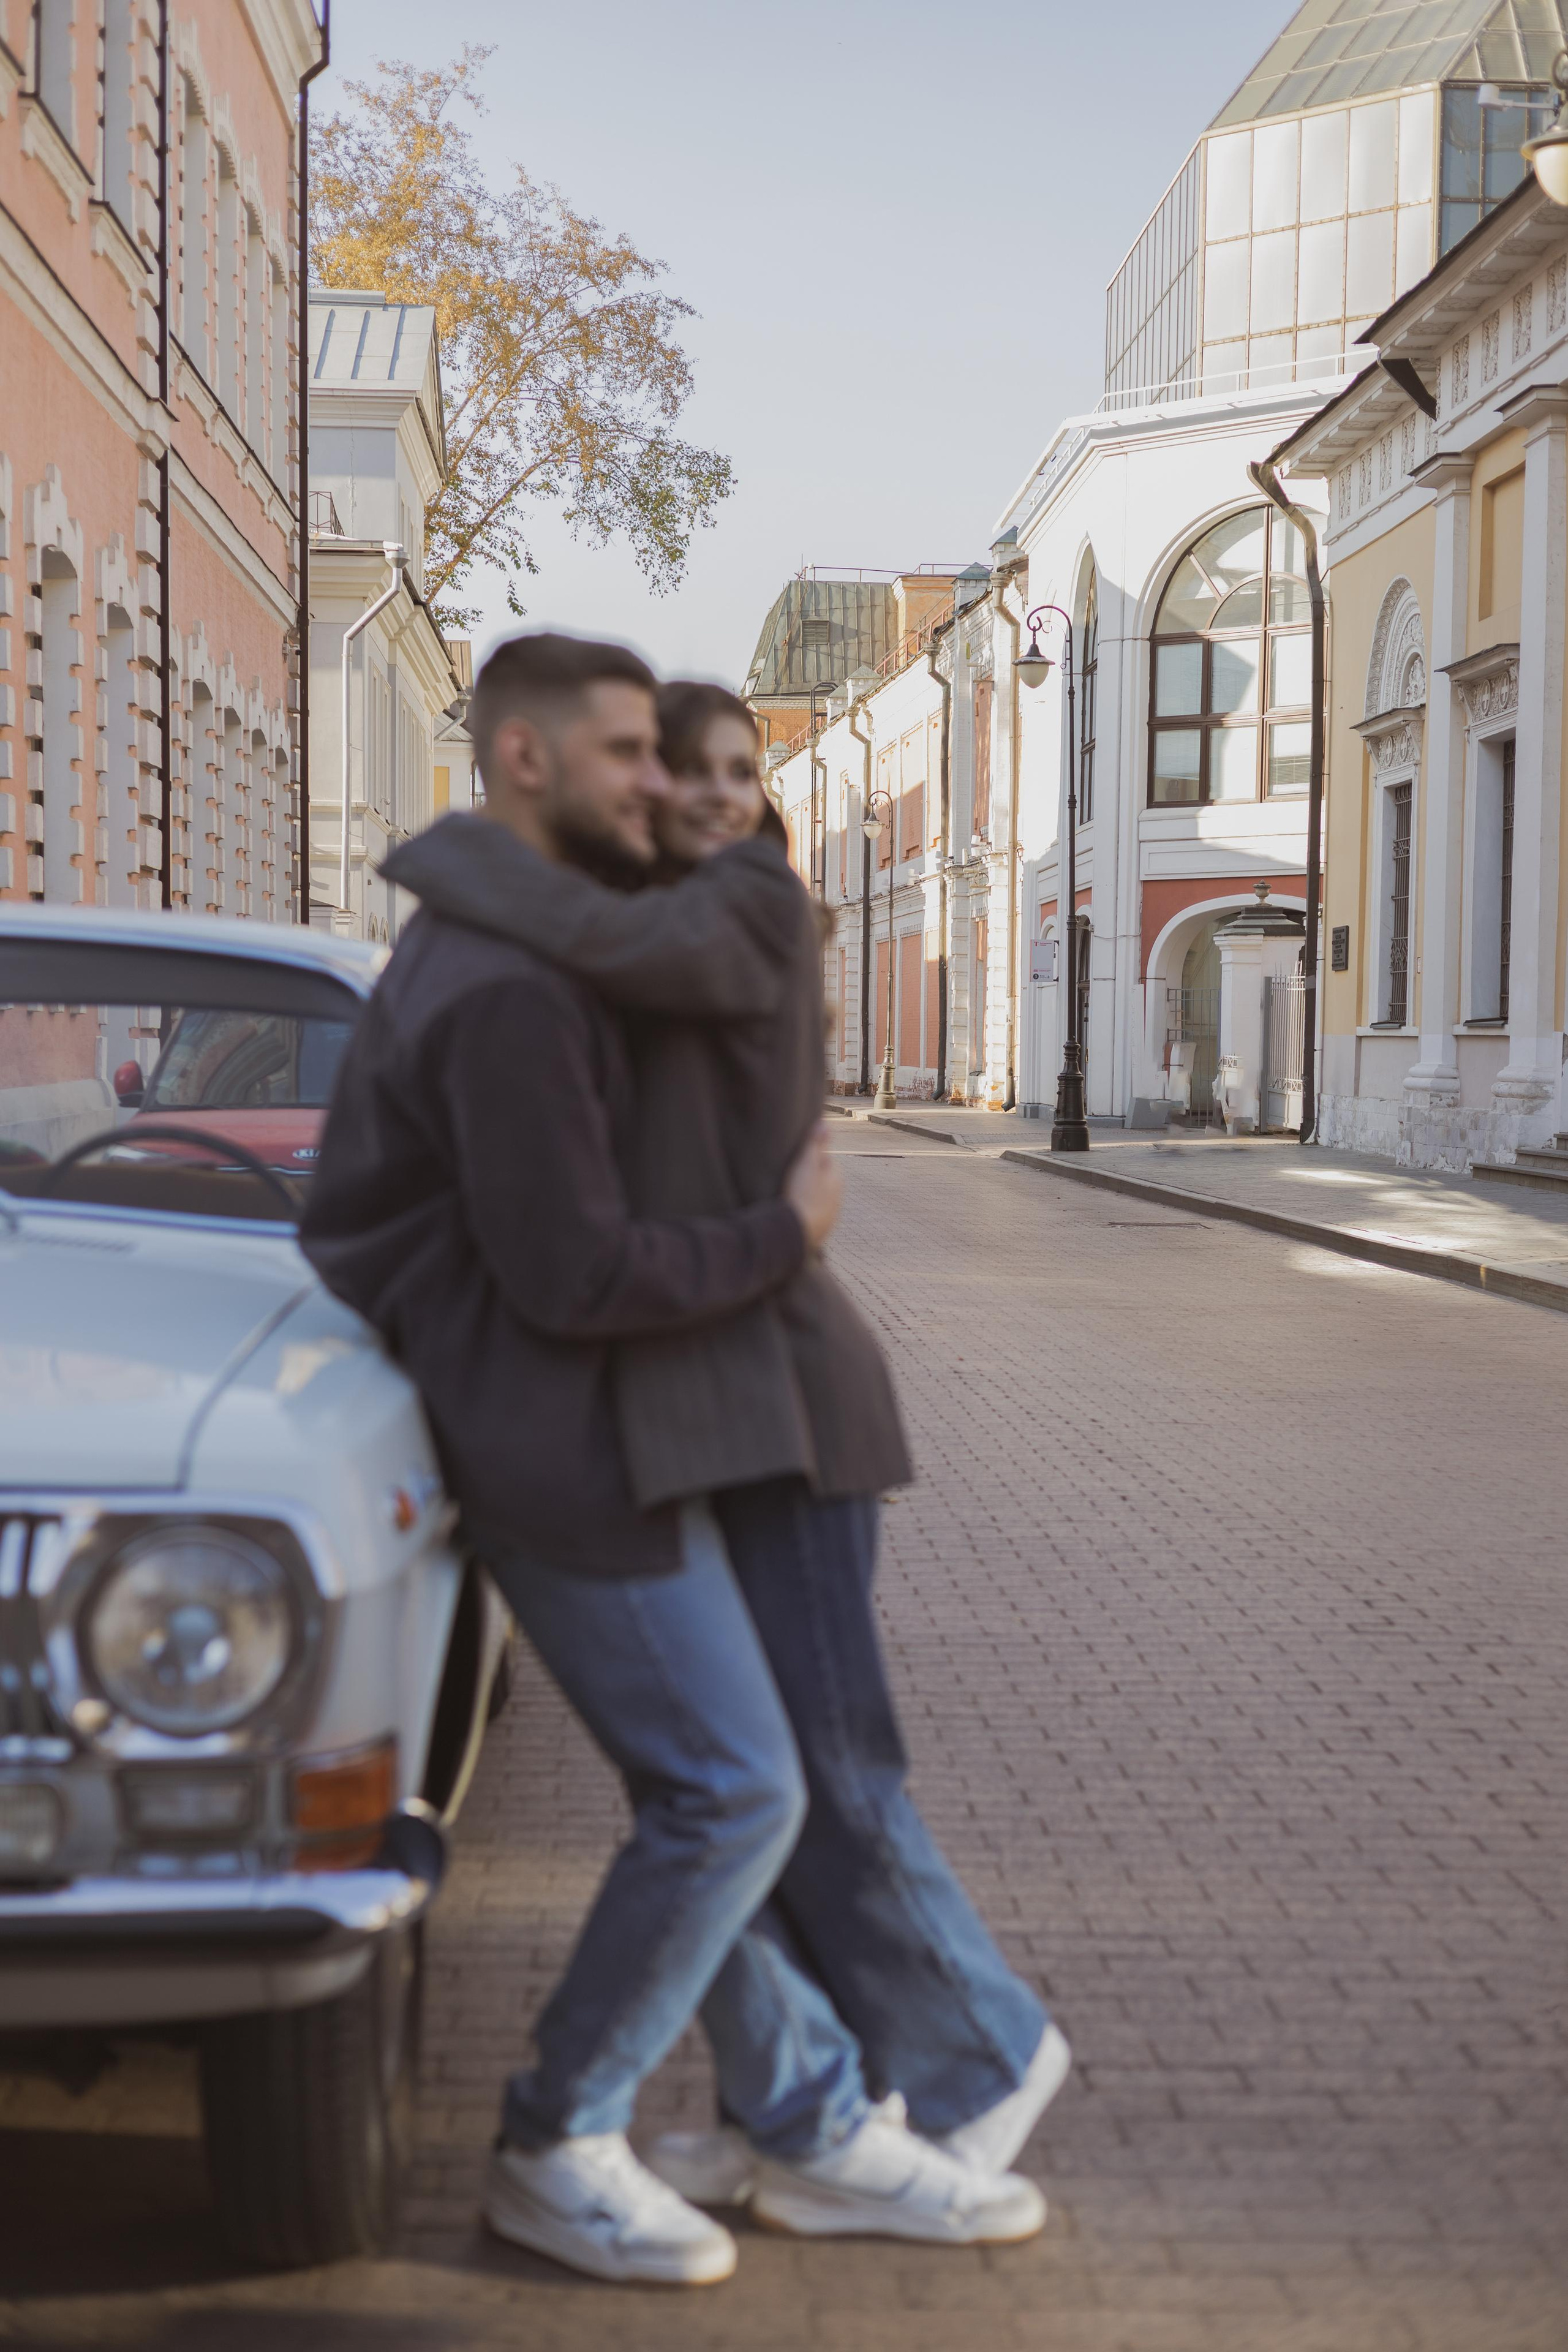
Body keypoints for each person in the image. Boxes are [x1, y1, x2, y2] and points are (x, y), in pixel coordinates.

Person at [301, 635, 1044, 2288]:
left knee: (714, 1795)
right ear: (522, 761)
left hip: (587, 1429)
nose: (664, 781)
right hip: (557, 1444)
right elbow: (572, 1272)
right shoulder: (498, 982)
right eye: (632, 751)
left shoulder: (504, 938)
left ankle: (805, 2115)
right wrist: (779, 1237)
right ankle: (561, 2136)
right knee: (738, 1791)